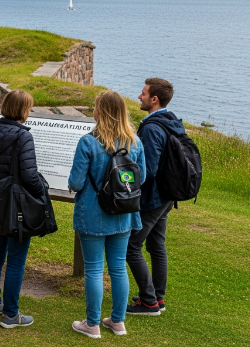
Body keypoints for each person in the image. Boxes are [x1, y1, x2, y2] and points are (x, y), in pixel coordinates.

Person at [68, 90, 146, 338]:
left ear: (101, 111)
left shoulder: (88, 142)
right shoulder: (135, 142)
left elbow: (77, 182)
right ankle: (117, 321)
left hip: (93, 212)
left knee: (93, 269)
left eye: (95, 106)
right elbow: (141, 177)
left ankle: (92, 324)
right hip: (123, 212)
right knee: (118, 268)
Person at [0, 90, 45, 328]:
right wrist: (41, 190)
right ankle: (11, 314)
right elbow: (29, 175)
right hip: (16, 206)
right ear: (23, 110)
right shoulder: (22, 137)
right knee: (16, 259)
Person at [126, 78, 184, 315]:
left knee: (132, 246)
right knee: (156, 244)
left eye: (143, 93)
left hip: (154, 197)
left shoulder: (151, 128)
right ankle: (157, 298)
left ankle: (149, 301)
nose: (139, 97)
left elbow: (146, 170)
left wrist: (125, 182)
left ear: (154, 99)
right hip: (168, 194)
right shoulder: (172, 122)